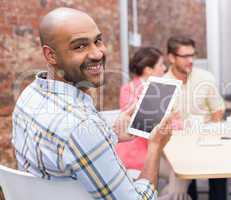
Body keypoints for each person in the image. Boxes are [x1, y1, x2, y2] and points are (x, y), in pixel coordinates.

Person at [11, 7, 177, 200]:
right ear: (51, 56)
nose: (97, 53)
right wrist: (155, 147)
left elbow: (68, 148)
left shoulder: (29, 95)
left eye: (98, 41)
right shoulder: (81, 126)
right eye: (80, 46)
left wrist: (112, 134)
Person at [163, 35, 226, 200]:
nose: (190, 60)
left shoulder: (205, 78)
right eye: (185, 56)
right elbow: (160, 122)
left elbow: (218, 110)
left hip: (206, 140)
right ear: (171, 58)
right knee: (185, 175)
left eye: (192, 55)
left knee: (219, 168)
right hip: (177, 145)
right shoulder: (162, 83)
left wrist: (210, 131)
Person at [116, 47, 166, 171]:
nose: (165, 68)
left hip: (153, 147)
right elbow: (143, 121)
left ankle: (172, 191)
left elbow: (172, 119)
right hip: (134, 153)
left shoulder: (162, 89)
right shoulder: (128, 89)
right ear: (148, 70)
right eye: (161, 65)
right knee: (176, 169)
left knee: (179, 167)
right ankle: (171, 191)